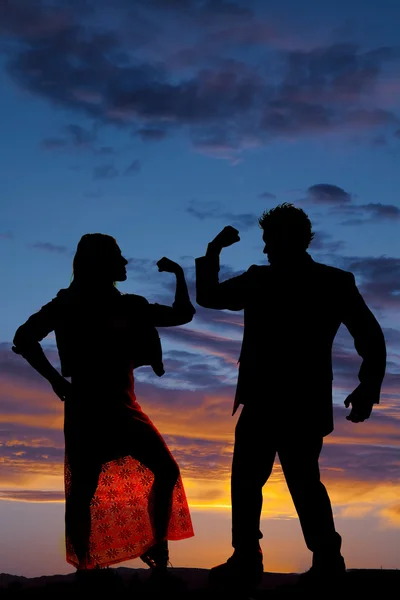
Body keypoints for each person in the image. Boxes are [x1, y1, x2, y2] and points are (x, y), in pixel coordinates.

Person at [195, 203, 386, 592]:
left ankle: (280, 560)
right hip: (285, 402)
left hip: (284, 403)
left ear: (287, 240)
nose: (265, 250)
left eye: (269, 241)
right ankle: (279, 559)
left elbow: (370, 337)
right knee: (277, 481)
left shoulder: (315, 281)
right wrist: (367, 386)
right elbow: (211, 297)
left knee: (281, 481)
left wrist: (369, 386)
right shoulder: (318, 281)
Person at [12, 233, 195, 587]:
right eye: (119, 257)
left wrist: (178, 274)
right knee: (84, 489)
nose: (126, 263)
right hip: (91, 406)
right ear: (101, 263)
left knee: (159, 471)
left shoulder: (126, 304)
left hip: (119, 405)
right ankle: (89, 568)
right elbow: (24, 338)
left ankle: (153, 555)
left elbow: (182, 314)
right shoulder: (71, 303)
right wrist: (54, 380)